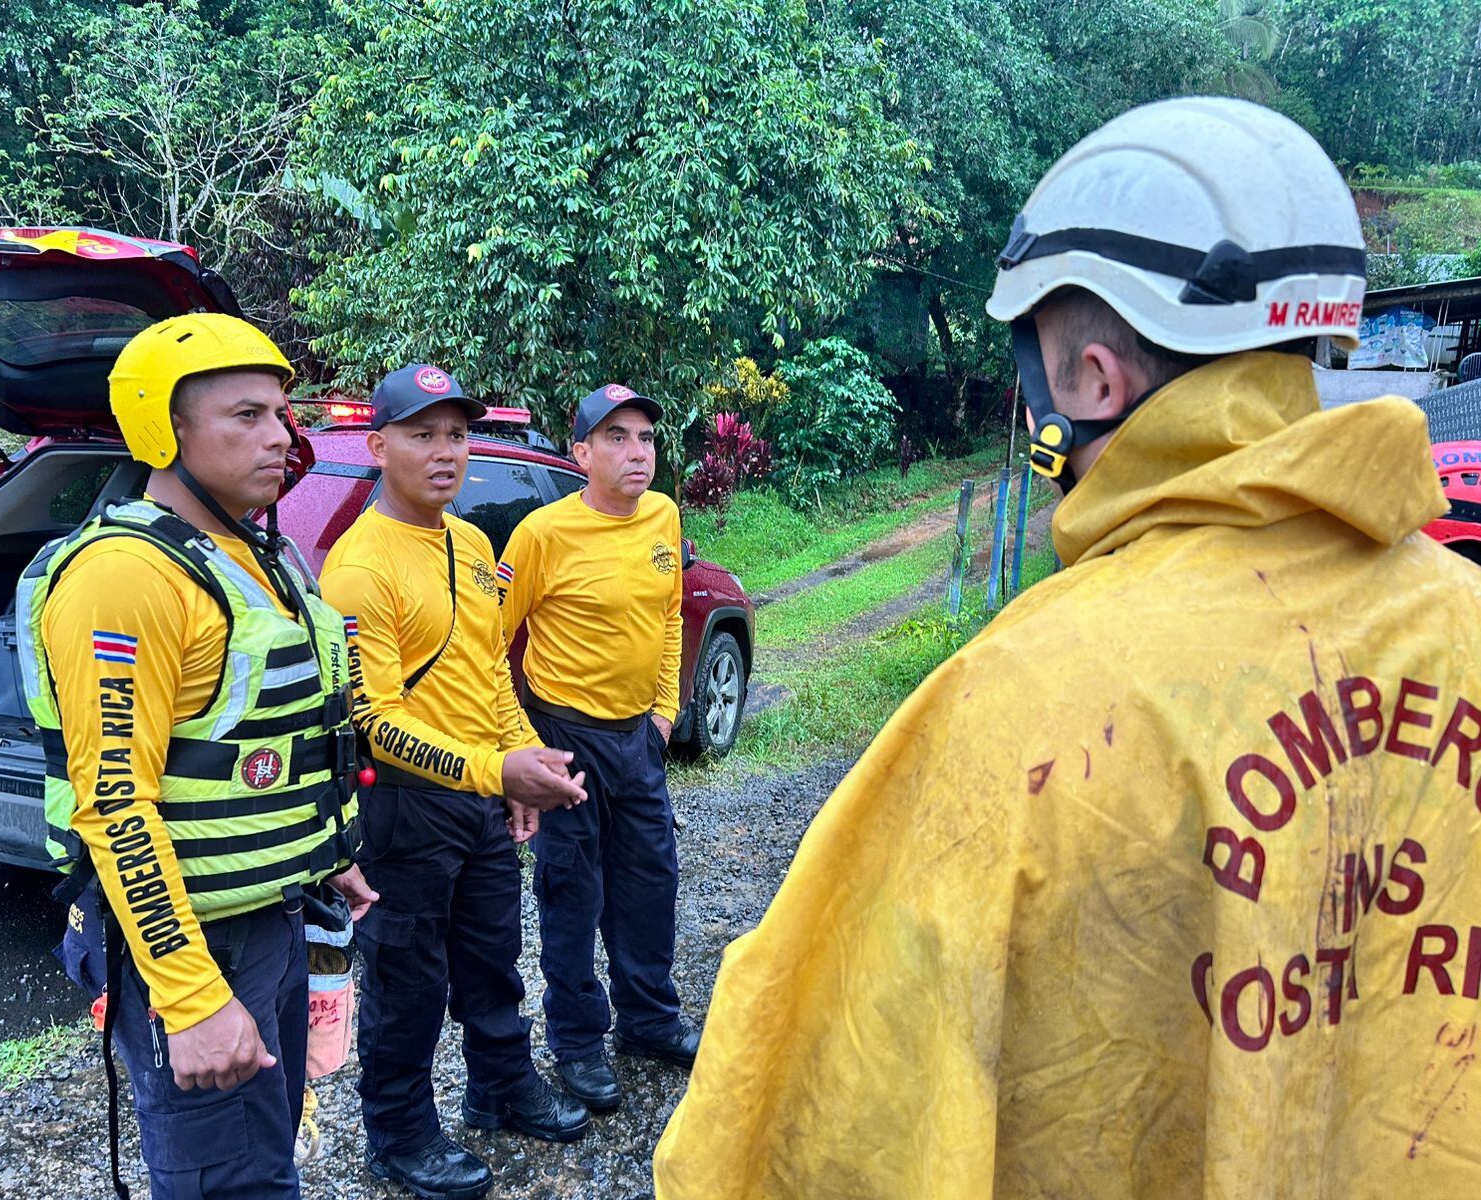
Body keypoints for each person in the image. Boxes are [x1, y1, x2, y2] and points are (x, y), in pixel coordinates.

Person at [653, 96, 1481, 1197]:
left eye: (1034, 348)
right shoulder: (1461, 616)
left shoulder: (1018, 699)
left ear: (1092, 377)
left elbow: (820, 1112)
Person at [22, 313, 377, 1200]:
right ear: (162, 430)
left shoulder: (253, 554)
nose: (282, 436)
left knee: (267, 1158)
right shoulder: (126, 576)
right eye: (247, 416)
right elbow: (113, 800)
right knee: (229, 1187)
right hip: (192, 945)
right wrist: (190, 997)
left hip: (267, 918)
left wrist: (318, 856)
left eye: (282, 414)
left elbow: (253, 740)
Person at [320, 364, 591, 1200]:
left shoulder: (472, 545)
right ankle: (397, 1134)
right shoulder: (358, 569)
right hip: (403, 805)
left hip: (479, 795)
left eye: (457, 434)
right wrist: (490, 767)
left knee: (491, 956)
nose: (446, 452)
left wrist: (520, 767)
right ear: (378, 445)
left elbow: (489, 674)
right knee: (407, 978)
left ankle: (500, 1087)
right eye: (422, 434)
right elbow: (377, 720)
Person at [498, 383, 695, 1115]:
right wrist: (521, 743)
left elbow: (671, 615)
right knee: (571, 892)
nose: (637, 452)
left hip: (638, 737)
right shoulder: (541, 535)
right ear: (579, 452)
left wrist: (666, 715)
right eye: (616, 437)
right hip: (565, 738)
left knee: (650, 882)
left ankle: (649, 1020)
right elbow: (492, 640)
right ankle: (578, 1044)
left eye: (645, 437)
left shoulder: (665, 516)